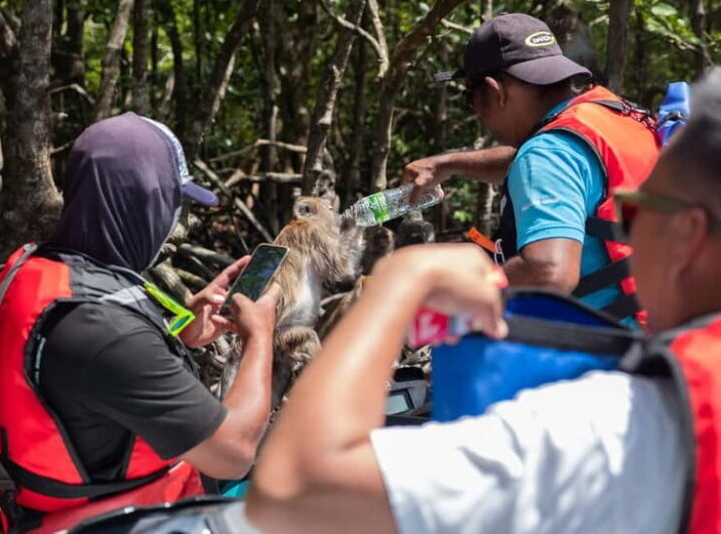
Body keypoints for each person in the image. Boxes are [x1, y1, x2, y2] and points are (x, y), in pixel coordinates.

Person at [245, 69, 721, 533]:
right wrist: (451, 163)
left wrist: (400, 284)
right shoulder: (614, 120)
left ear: (686, 237)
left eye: (634, 212)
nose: (626, 229)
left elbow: (295, 491)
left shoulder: (613, 426)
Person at [0, 113, 279, 533]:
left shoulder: (31, 270)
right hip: (125, 520)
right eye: (175, 202)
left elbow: (87, 384)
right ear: (145, 202)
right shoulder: (108, 334)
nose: (178, 221)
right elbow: (235, 450)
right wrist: (260, 335)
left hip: (52, 512)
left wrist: (183, 329)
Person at [402, 13, 660, 326]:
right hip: (671, 338)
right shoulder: (612, 118)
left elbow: (549, 273)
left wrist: (454, 287)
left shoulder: (546, 155)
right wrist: (447, 164)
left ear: (495, 90)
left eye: (472, 98)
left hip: (608, 358)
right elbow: (543, 165)